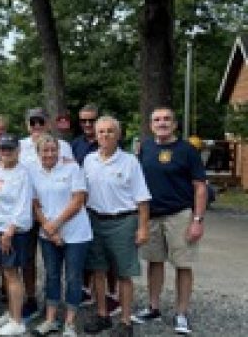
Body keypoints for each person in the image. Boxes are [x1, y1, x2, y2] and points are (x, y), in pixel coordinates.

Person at [133, 107, 207, 335]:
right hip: (151, 215)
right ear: (151, 124)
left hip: (180, 215)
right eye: (157, 119)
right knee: (154, 262)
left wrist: (197, 220)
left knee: (183, 265)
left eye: (167, 119)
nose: (162, 122)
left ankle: (181, 313)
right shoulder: (144, 148)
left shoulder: (187, 150)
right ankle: (153, 307)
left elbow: (200, 187)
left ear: (175, 124)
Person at [82, 116, 151, 337]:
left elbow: (142, 199)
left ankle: (125, 320)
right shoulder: (89, 160)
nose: (105, 135)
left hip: (123, 221)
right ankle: (103, 314)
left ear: (118, 135)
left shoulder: (130, 161)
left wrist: (142, 227)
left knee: (124, 273)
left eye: (110, 131)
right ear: (96, 135)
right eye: (101, 131)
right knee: (98, 271)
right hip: (95, 220)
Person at [29, 134, 91, 337]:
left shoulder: (72, 168)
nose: (49, 154)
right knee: (52, 275)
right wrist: (48, 227)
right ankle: (50, 319)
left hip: (75, 234)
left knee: (73, 277)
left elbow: (78, 200)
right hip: (48, 234)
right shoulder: (33, 172)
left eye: (52, 150)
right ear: (38, 153)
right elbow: (34, 204)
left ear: (59, 151)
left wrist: (55, 224)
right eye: (44, 150)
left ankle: (70, 322)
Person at [18, 107, 75, 321]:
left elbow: (72, 177)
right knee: (28, 259)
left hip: (55, 214)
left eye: (41, 122)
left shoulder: (64, 147)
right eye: (32, 122)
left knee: (58, 262)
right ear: (27, 125)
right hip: (28, 212)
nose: (37, 126)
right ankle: (31, 298)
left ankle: (59, 303)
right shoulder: (21, 146)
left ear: (48, 123)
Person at [70, 104, 120, 315]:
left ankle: (113, 294)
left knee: (111, 257)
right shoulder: (76, 145)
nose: (88, 124)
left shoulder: (112, 144)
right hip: (85, 206)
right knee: (91, 253)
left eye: (92, 120)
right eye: (84, 121)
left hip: (110, 208)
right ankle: (88, 291)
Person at [0, 134, 34, 336]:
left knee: (12, 274)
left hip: (12, 231)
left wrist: (10, 231)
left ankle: (17, 320)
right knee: (5, 272)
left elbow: (23, 205)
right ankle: (11, 311)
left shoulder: (23, 174)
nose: (6, 152)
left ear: (18, 151)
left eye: (10, 149)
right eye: (3, 149)